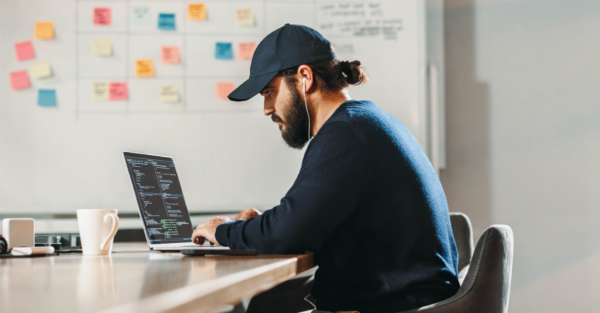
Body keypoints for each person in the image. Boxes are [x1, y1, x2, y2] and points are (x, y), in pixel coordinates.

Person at [192, 24, 460, 313]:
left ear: (304, 77)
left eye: (270, 92)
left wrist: (222, 230)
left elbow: (285, 235)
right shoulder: (365, 122)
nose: (267, 109)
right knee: (264, 305)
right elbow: (300, 224)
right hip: (407, 303)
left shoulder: (346, 133)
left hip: (394, 308)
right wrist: (256, 227)